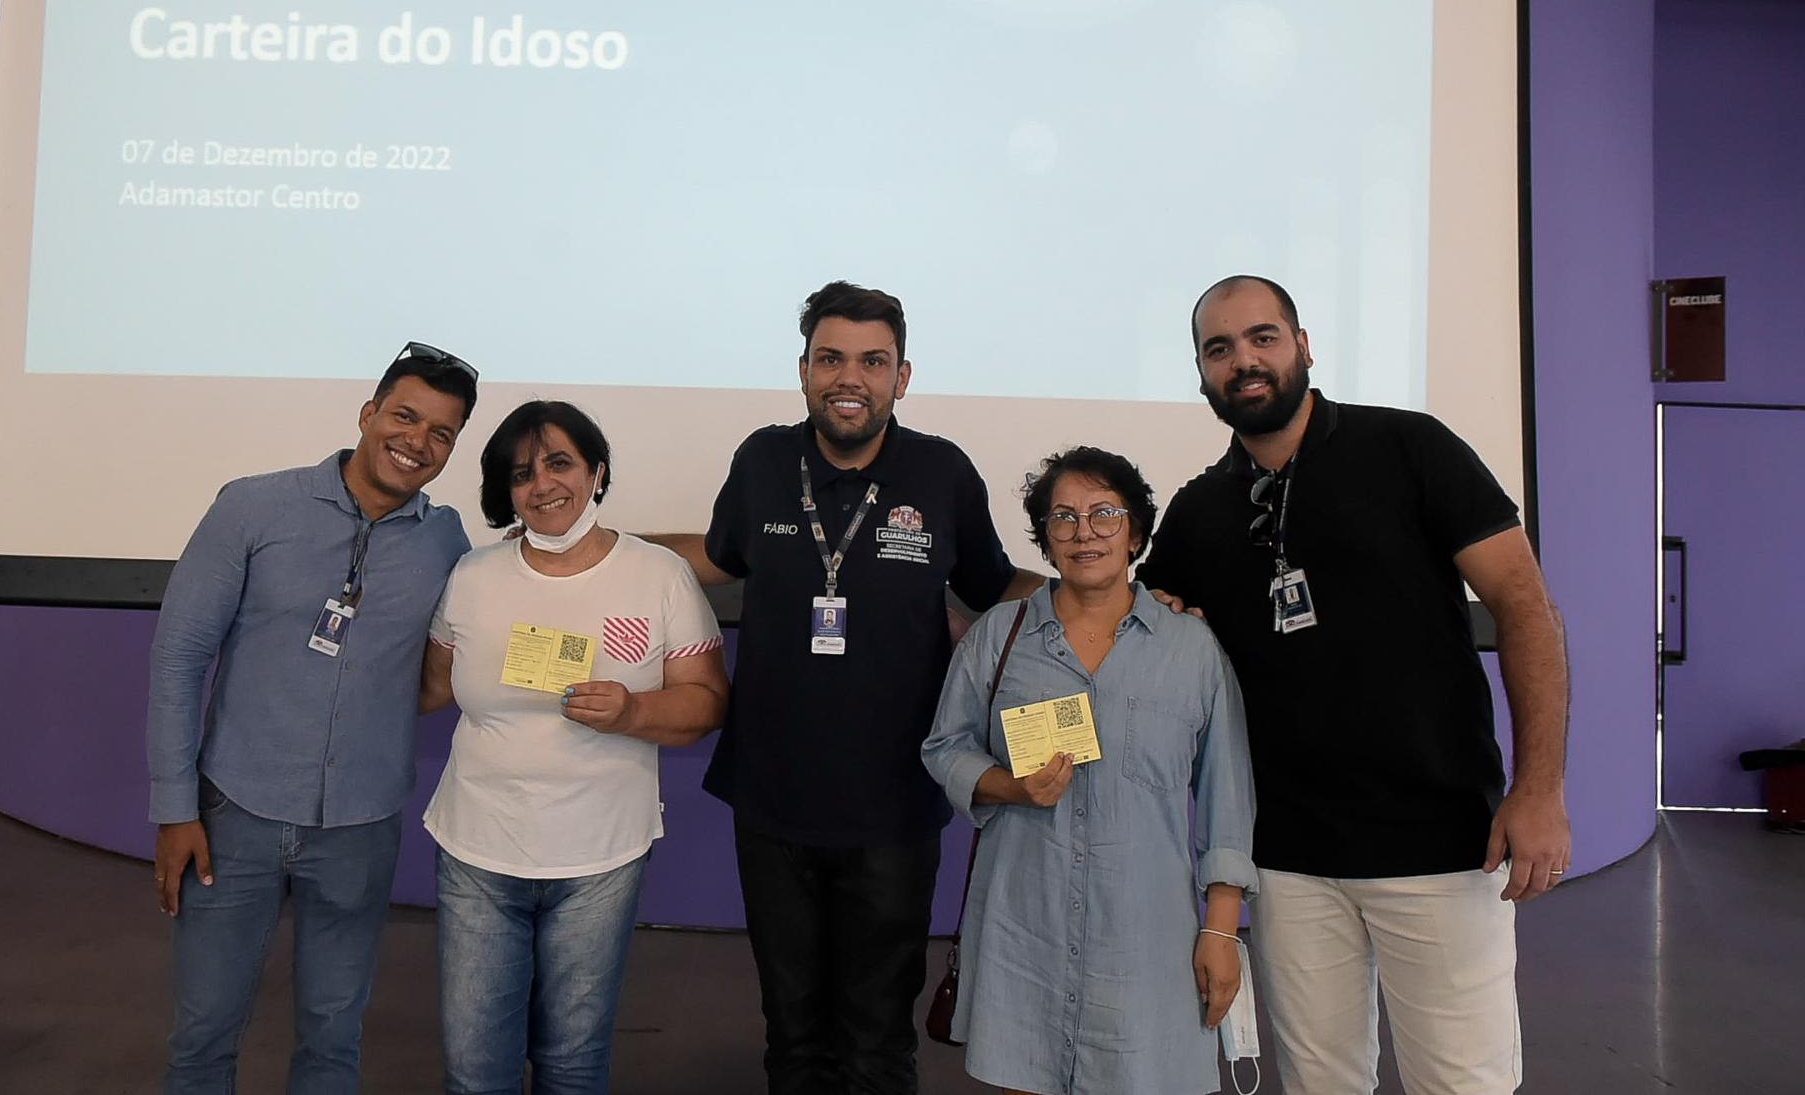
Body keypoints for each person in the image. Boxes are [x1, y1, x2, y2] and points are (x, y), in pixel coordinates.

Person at [1141, 276, 1571, 1095]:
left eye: (1263, 337)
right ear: (1201, 374)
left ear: (1303, 346)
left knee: (1463, 1085)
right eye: (1219, 348)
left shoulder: (1410, 447)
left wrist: (1540, 786)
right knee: (1320, 1084)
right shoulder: (1197, 512)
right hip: (1287, 860)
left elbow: (1525, 606)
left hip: (1440, 848)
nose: (1244, 360)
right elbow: (1143, 634)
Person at [654, 280, 1043, 1095]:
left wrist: (1111, 595)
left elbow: (995, 585)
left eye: (872, 361)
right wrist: (582, 546)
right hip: (773, 799)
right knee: (793, 1033)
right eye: (831, 358)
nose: (850, 378)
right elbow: (717, 557)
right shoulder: (763, 460)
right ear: (803, 370)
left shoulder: (941, 472)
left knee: (875, 1042)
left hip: (894, 803)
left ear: (902, 376)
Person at [146, 341, 479, 1094]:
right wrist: (174, 809)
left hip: (362, 827)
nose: (417, 441)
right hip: (232, 816)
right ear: (368, 414)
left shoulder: (447, 542)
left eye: (442, 433)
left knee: (334, 1041)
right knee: (203, 1037)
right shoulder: (253, 506)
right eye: (404, 416)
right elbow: (179, 658)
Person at [923, 446, 1256, 1095]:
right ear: (1045, 538)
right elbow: (945, 745)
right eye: (1063, 518)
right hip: (1024, 935)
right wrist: (1008, 786)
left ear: (1135, 531)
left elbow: (1229, 799)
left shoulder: (1190, 649)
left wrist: (1220, 927)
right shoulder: (1000, 635)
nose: (1084, 533)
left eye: (1105, 514)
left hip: (1145, 945)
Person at [421, 400, 729, 1095]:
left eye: (559, 462)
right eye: (521, 473)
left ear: (597, 471)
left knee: (573, 1063)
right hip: (477, 851)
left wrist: (634, 710)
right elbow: (430, 687)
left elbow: (707, 702)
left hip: (601, 858)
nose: (542, 484)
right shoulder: (472, 576)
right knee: (475, 1070)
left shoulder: (659, 574)